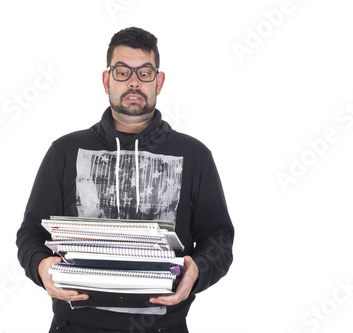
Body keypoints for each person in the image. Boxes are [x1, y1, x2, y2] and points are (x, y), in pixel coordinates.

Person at [16, 27, 234, 333]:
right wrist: (41, 266)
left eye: (144, 72)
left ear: (159, 81)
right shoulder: (65, 151)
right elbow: (30, 233)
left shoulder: (194, 155)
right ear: (107, 81)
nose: (133, 81)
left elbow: (219, 238)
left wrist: (197, 270)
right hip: (75, 326)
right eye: (122, 72)